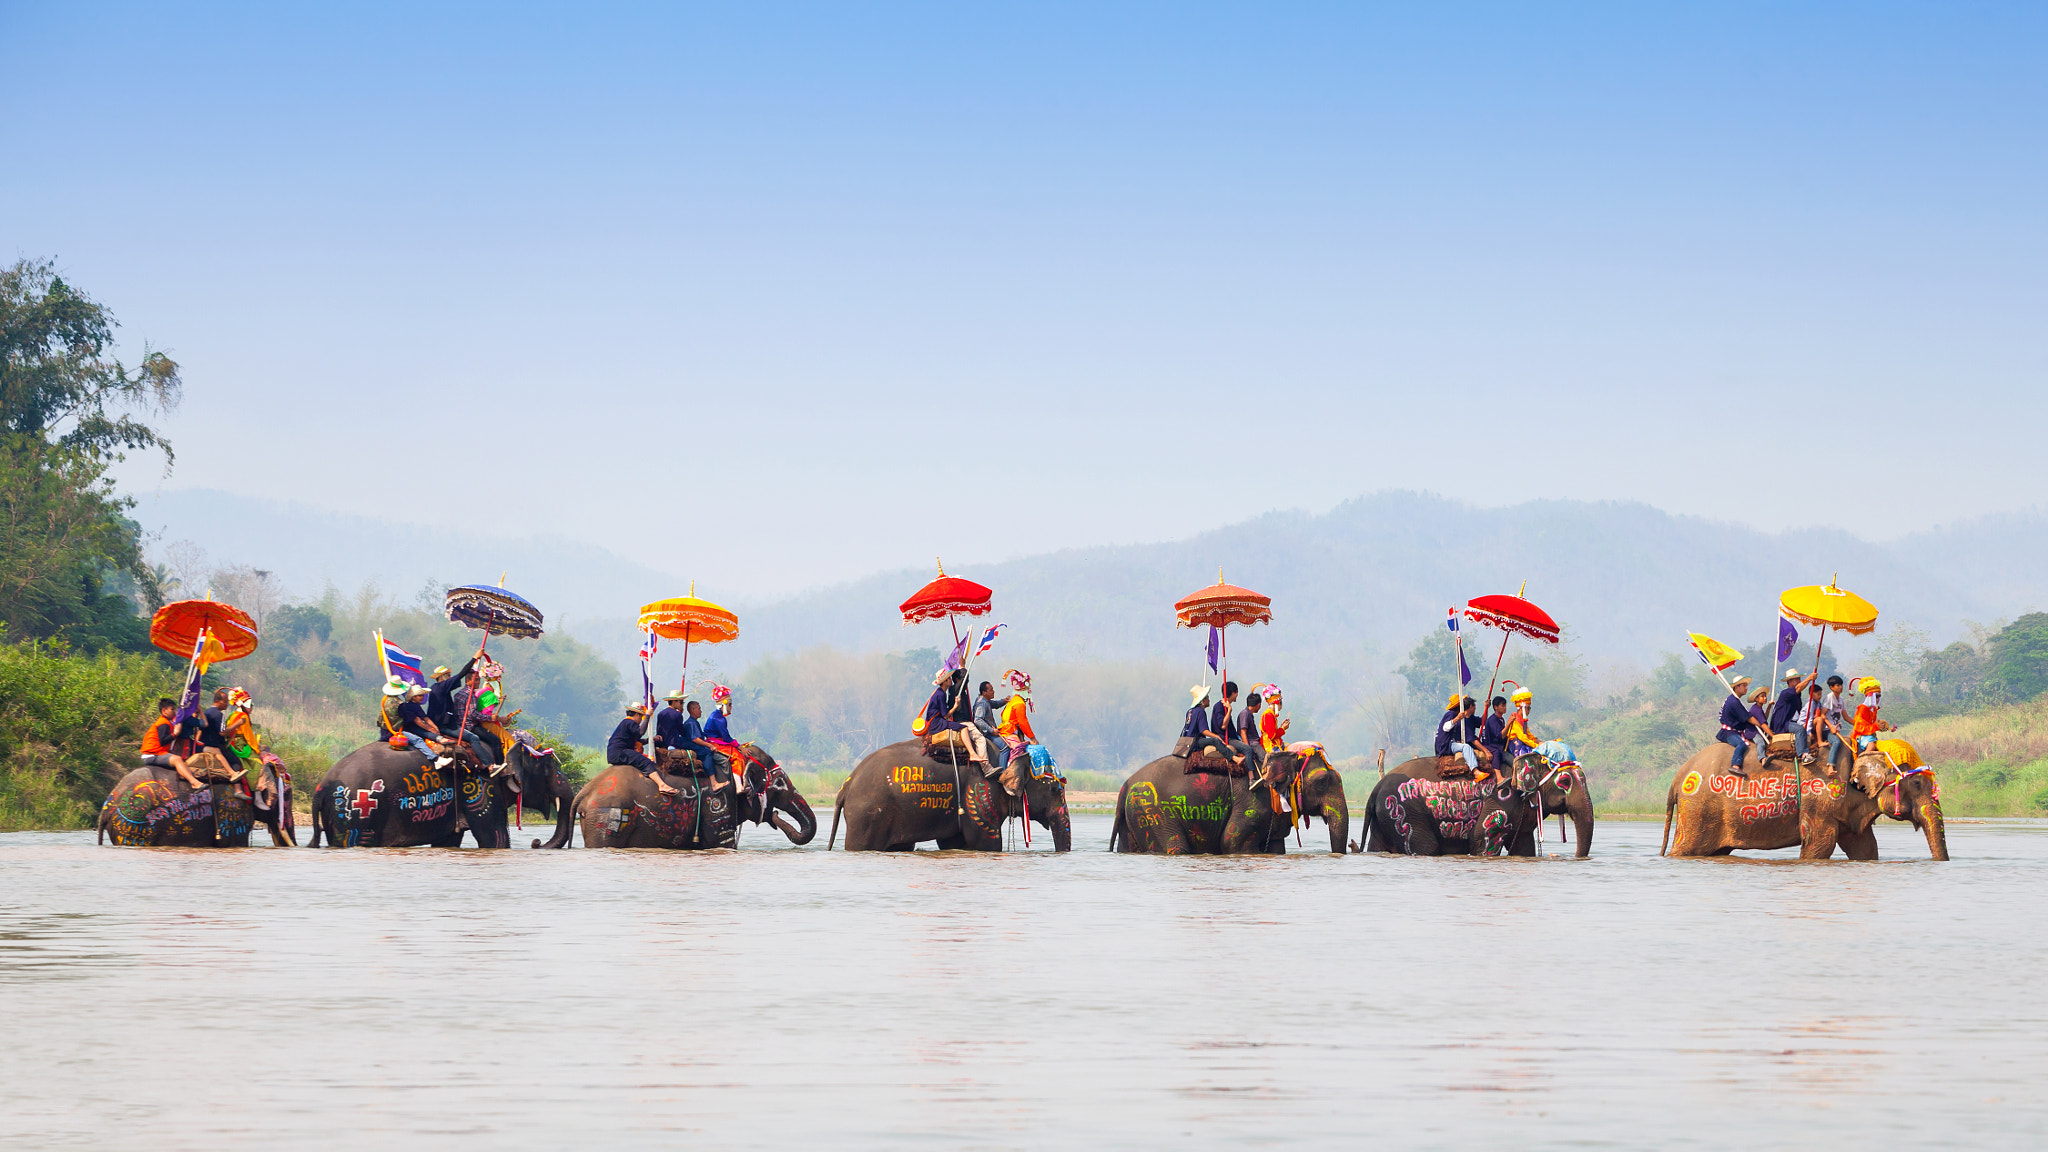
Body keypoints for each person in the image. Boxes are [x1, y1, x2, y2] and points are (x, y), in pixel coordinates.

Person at [921, 669, 990, 768]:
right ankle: (972, 754)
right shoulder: (940, 694)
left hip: (937, 721)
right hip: (937, 723)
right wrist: (956, 705)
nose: (951, 680)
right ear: (944, 682)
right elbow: (945, 715)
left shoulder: (941, 693)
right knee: (964, 728)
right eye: (948, 678)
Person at [140, 697, 208, 792]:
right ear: (164, 711)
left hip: (158, 752)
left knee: (180, 761)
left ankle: (190, 779)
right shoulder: (163, 723)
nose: (174, 712)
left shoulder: (167, 722)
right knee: (177, 759)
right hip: (153, 754)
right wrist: (175, 734)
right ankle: (194, 782)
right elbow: (163, 741)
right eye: (172, 709)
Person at [607, 701, 673, 794]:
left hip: (614, 753)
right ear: (637, 714)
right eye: (641, 717)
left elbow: (637, 741)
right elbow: (640, 733)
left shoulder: (626, 723)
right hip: (621, 752)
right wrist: (647, 716)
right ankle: (661, 785)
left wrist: (651, 739)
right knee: (645, 762)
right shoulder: (630, 722)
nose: (641, 720)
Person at [396, 684, 457, 768]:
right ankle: (436, 756)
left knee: (429, 732)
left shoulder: (416, 706)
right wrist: (431, 730)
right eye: (420, 695)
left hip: (418, 727)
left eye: (423, 695)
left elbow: (425, 718)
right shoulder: (407, 706)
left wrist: (435, 727)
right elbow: (418, 721)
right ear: (413, 697)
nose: (422, 697)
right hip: (411, 729)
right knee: (423, 737)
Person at [1717, 676, 1763, 775]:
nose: (1746, 688)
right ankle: (1735, 765)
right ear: (1736, 687)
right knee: (1741, 744)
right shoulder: (1733, 701)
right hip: (1729, 732)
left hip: (1735, 731)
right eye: (1743, 685)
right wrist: (1762, 725)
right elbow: (1748, 718)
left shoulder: (1735, 700)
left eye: (1746, 685)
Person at [996, 668, 1038, 775]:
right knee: (1018, 751)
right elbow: (1023, 722)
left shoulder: (1014, 700)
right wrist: (1032, 738)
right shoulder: (1019, 703)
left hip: (1005, 729)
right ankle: (1009, 775)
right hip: (1009, 731)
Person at [1182, 685, 1238, 763]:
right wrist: (1217, 736)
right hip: (1195, 742)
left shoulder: (1190, 711)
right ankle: (1234, 758)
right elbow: (1204, 731)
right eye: (1207, 698)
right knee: (1215, 740)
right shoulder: (1200, 711)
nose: (1209, 699)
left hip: (1187, 742)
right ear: (1202, 701)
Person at [1444, 696, 1485, 773]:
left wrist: (1486, 708)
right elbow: (1472, 739)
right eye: (1474, 706)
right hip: (1460, 744)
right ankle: (1475, 771)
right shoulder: (1460, 719)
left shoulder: (1471, 717)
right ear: (1471, 706)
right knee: (1466, 747)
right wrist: (1486, 751)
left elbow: (1482, 721)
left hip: (1469, 742)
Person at [1820, 674, 1852, 771]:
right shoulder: (1829, 698)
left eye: (1841, 685)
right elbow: (1822, 714)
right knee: (1836, 742)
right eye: (1837, 685)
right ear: (1831, 687)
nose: (1840, 687)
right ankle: (1830, 766)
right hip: (1827, 730)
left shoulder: (1841, 700)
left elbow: (1846, 717)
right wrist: (1831, 727)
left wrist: (1860, 724)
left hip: (1836, 730)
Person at [1503, 688, 1540, 765]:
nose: (1529, 711)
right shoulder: (1515, 719)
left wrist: (1539, 742)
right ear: (1521, 708)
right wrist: (1536, 746)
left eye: (1530, 708)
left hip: (1523, 743)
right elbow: (1522, 737)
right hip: (1516, 745)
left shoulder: (1523, 720)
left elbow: (1528, 735)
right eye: (1528, 708)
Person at [1852, 677, 1888, 752]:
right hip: (1862, 736)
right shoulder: (1862, 708)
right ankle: (1862, 762)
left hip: (1871, 736)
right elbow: (1858, 728)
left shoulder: (1874, 709)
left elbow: (1873, 724)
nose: (1878, 699)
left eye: (1879, 696)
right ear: (1871, 696)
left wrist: (1881, 726)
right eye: (1876, 696)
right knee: (1871, 746)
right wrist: (1876, 726)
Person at [972, 680, 1009, 754]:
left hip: (989, 731)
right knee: (1005, 747)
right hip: (987, 733)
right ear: (984, 693)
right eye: (991, 690)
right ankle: (1002, 766)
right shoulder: (982, 703)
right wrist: (991, 730)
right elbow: (978, 720)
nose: (993, 691)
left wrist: (1004, 701)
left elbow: (995, 704)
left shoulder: (986, 700)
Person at [1769, 670, 1811, 735]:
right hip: (1783, 724)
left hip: (1793, 722)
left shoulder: (1797, 695)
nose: (1799, 681)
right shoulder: (1786, 693)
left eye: (1799, 679)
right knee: (1800, 729)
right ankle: (1801, 745)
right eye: (1796, 679)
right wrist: (1810, 678)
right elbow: (1798, 688)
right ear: (1789, 681)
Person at [1795, 680, 1825, 764]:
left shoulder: (1818, 703)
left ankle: (1816, 742)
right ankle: (1819, 741)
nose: (1820, 696)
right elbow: (1810, 718)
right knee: (1819, 720)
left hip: (1811, 723)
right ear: (1812, 694)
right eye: (1818, 694)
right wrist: (1808, 732)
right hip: (1804, 723)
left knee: (1820, 719)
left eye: (1820, 694)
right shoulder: (1810, 704)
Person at [1480, 696, 1509, 778]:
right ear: (1495, 707)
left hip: (1501, 746)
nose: (1505, 708)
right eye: (1502, 706)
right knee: (1497, 754)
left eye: (1505, 705)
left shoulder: (1501, 719)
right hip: (1492, 745)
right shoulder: (1492, 720)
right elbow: (1500, 736)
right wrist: (1509, 723)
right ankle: (1499, 777)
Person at [654, 690, 688, 758]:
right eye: (681, 702)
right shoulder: (677, 715)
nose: (682, 705)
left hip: (660, 743)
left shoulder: (661, 713)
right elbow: (682, 731)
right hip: (672, 744)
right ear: (674, 701)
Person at [1257, 685, 1290, 753]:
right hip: (1269, 745)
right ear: (1277, 703)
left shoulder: (1270, 714)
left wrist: (1281, 727)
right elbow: (1272, 735)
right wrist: (1283, 729)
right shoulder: (1269, 715)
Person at [1433, 693, 1461, 759]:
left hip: (1441, 744)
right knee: (1466, 747)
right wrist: (1457, 718)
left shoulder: (1451, 714)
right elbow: (1446, 727)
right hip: (1444, 745)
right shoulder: (1452, 714)